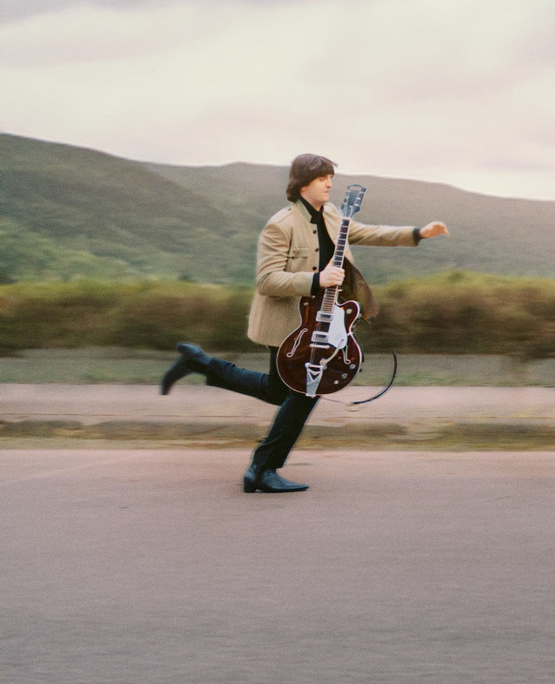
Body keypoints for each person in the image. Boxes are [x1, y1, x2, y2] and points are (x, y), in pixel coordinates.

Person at [158, 153, 449, 492]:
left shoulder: (332, 214)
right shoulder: (279, 225)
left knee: (278, 389)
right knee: (307, 390)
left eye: (330, 177)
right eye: (323, 177)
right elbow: (267, 280)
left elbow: (366, 232)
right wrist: (316, 280)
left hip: (319, 323)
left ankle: (199, 362)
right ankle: (262, 469)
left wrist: (418, 233)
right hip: (287, 324)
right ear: (303, 183)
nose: (329, 183)